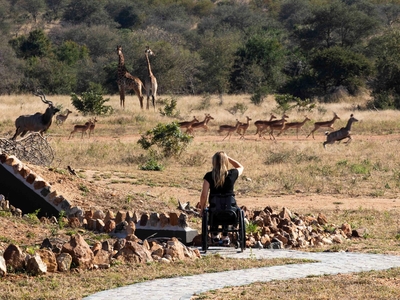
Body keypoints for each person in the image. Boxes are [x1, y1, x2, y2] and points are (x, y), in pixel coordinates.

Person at [199, 151, 244, 245]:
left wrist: (202, 208)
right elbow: (241, 167)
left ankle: (215, 235)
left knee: (213, 209)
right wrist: (228, 158)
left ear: (214, 162)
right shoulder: (232, 174)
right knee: (229, 208)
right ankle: (225, 236)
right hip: (230, 212)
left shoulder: (209, 176)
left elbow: (204, 195)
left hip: (215, 212)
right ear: (226, 161)